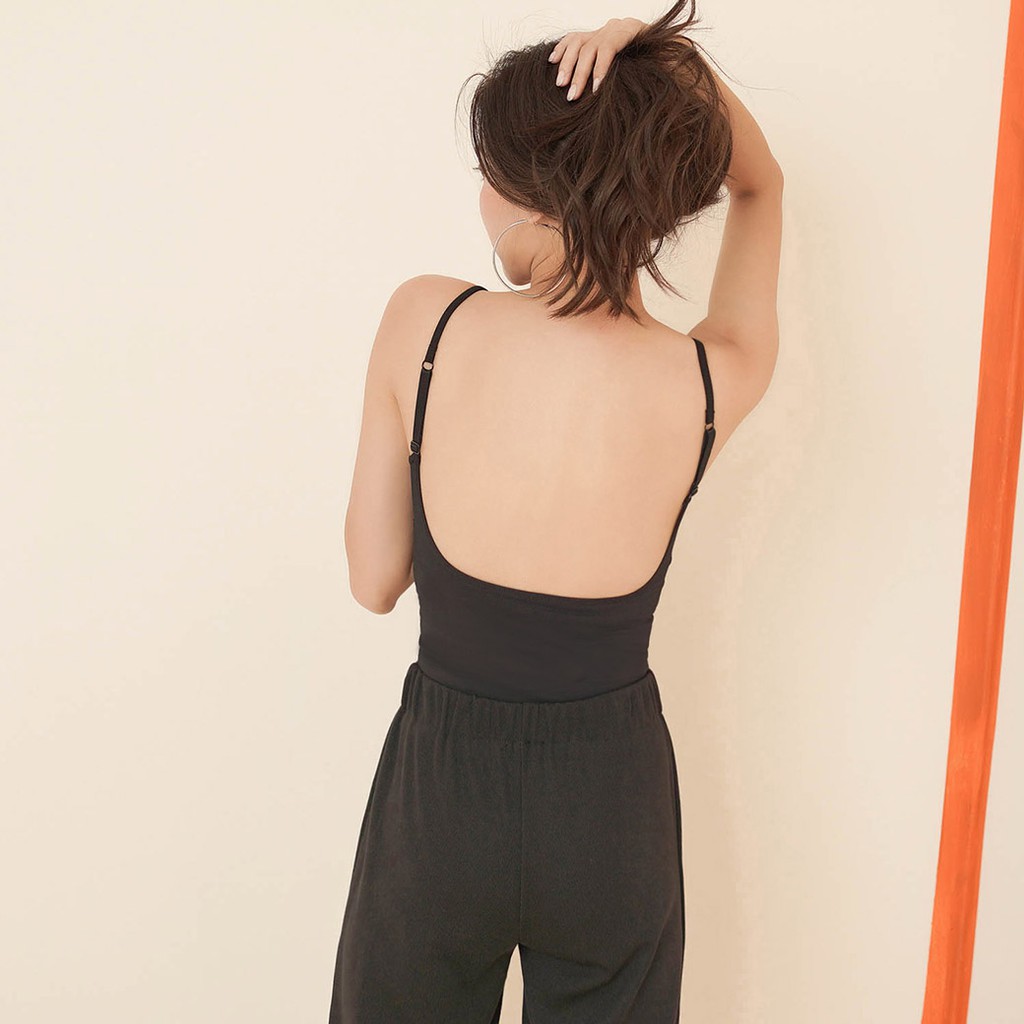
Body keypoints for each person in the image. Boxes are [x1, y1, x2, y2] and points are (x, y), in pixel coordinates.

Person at [330, 1, 782, 1020]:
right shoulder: (709, 378)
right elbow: (761, 183)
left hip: (443, 790)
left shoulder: (427, 319)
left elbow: (373, 579)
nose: (482, 196)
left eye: (491, 172)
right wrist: (656, 58)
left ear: (539, 195)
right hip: (611, 799)